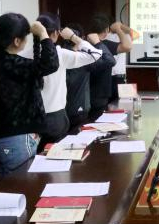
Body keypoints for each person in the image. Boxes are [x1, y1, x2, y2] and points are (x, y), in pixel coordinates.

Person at [0, 14, 59, 178]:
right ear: (16, 41)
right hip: (15, 141)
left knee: (14, 187)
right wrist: (43, 34)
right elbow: (50, 64)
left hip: (6, 138)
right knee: (22, 187)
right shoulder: (11, 64)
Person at [19, 13, 102, 147]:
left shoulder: (22, 56)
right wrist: (73, 37)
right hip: (55, 120)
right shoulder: (60, 54)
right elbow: (95, 54)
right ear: (56, 33)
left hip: (30, 120)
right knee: (55, 156)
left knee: (35, 158)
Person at [61, 23, 115, 131]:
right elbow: (110, 60)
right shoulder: (83, 59)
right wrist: (98, 43)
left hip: (59, 113)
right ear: (82, 38)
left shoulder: (58, 55)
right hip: (78, 112)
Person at [85, 13, 134, 119]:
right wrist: (119, 29)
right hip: (101, 91)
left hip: (85, 92)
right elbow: (128, 46)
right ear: (107, 29)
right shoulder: (105, 44)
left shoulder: (83, 43)